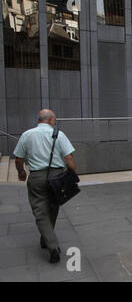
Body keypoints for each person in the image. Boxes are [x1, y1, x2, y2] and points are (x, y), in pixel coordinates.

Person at [14, 109, 76, 263]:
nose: (55, 122)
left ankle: (50, 243)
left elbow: (18, 158)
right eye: (54, 120)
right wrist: (72, 173)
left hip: (36, 177)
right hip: (57, 176)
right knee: (53, 207)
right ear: (50, 120)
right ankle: (49, 241)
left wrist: (21, 172)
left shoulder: (27, 135)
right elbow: (69, 157)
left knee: (40, 211)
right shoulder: (59, 135)